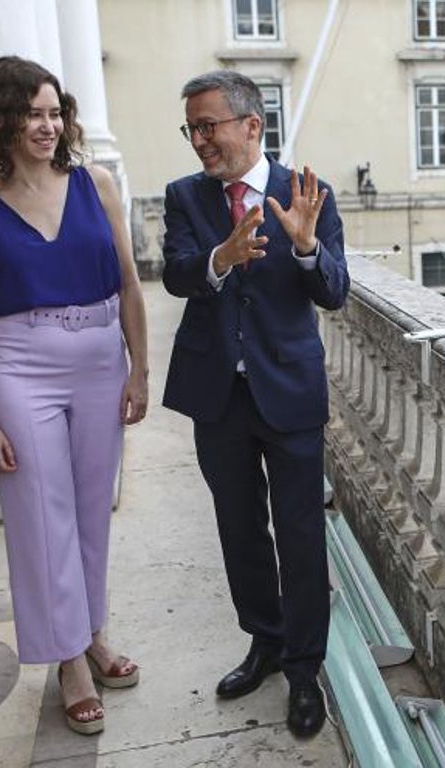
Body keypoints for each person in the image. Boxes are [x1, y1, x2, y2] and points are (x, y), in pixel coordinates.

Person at [0, 56, 149, 736]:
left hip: (100, 361)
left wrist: (140, 370)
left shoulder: (97, 184)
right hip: (21, 369)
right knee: (41, 514)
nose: (47, 125)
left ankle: (91, 632)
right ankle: (69, 661)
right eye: (32, 113)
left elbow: (129, 283)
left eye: (54, 112)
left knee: (91, 510)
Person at [161, 70, 350, 739]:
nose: (199, 140)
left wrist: (305, 246)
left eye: (208, 125)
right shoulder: (184, 196)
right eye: (191, 129)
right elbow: (176, 273)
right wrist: (221, 256)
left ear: (251, 124)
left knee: (300, 537)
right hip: (217, 394)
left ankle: (304, 670)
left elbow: (334, 292)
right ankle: (265, 641)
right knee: (239, 529)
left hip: (289, 393)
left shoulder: (307, 195)